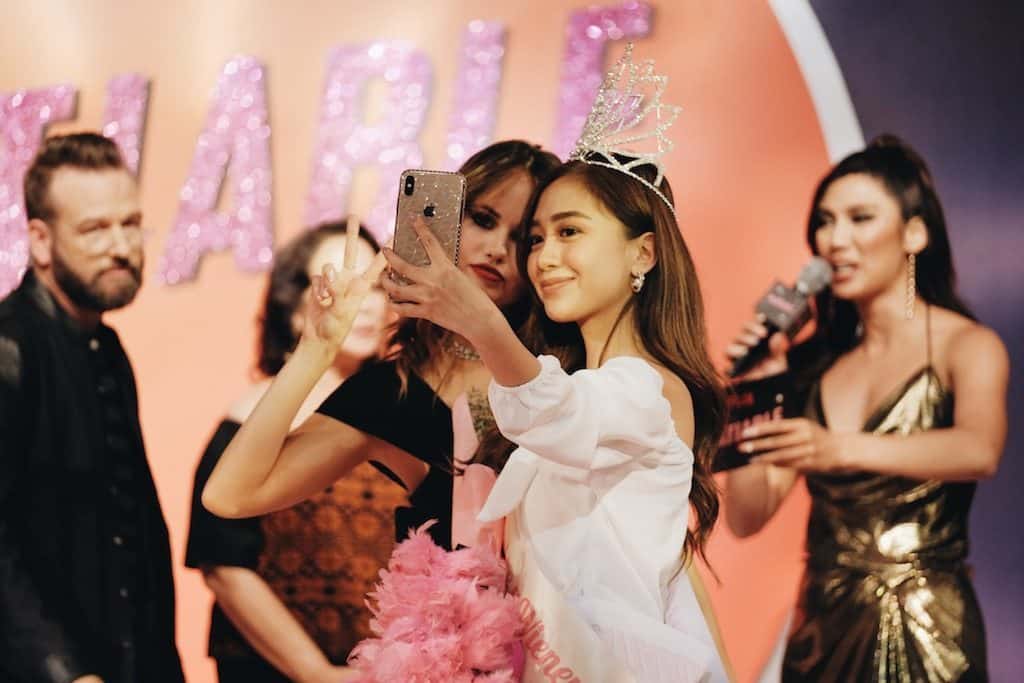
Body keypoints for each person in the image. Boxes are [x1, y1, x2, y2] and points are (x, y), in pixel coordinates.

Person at [376, 47, 731, 681]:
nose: (543, 257)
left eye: (570, 232)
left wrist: (478, 320)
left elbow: (559, 412)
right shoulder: (579, 387)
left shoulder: (649, 388)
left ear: (643, 254)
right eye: (536, 239)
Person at [725, 135, 1009, 682]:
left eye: (860, 218)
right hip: (822, 632)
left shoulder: (967, 345)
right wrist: (756, 394)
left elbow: (979, 449)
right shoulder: (815, 367)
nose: (836, 240)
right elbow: (746, 516)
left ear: (914, 234)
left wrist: (839, 448)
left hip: (929, 630)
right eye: (825, 222)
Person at [202, 140, 560, 553]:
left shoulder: (570, 368)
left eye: (523, 237)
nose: (497, 249)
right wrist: (316, 350)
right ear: (446, 220)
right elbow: (230, 496)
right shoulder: (393, 392)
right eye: (483, 219)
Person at [0, 133, 183, 683]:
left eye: (131, 223)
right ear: (40, 240)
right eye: (95, 229)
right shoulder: (10, 349)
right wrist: (63, 671)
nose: (122, 246)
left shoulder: (107, 347)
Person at [185, 219, 401, 682]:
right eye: (342, 283)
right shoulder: (250, 423)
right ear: (294, 308)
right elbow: (224, 565)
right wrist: (315, 672)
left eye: (374, 286)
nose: (364, 302)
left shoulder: (399, 412)